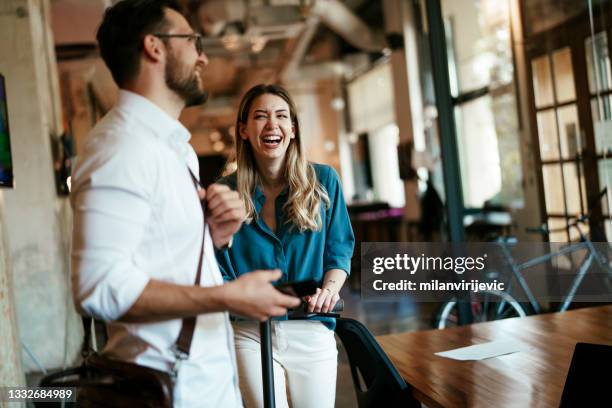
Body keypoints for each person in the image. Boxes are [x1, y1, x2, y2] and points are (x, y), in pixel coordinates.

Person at [70, 2, 300, 407]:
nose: (203, 56)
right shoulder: (120, 148)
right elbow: (98, 287)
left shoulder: (176, 147)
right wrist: (226, 296)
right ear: (155, 48)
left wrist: (210, 234)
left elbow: (159, 254)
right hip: (168, 388)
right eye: (193, 41)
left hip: (203, 380)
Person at [215, 84, 355, 408]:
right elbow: (216, 266)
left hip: (311, 327)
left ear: (292, 129)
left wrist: (329, 290)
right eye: (260, 117)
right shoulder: (224, 191)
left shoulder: (324, 181)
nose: (271, 125)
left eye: (281, 116)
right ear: (244, 131)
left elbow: (339, 249)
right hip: (251, 331)